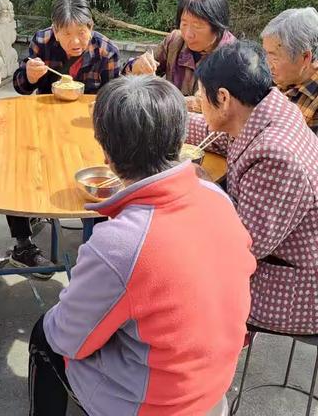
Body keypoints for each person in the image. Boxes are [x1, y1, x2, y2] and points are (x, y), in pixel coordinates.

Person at [28, 75, 256, 416]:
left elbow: (67, 338)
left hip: (156, 404)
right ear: (179, 140)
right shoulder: (216, 197)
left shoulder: (119, 244)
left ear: (106, 152)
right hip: (214, 381)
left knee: (44, 334)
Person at [187, 40, 318, 335]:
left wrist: (203, 185)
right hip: (279, 255)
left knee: (177, 271)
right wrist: (166, 122)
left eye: (201, 98)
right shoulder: (266, 110)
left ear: (223, 98)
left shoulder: (277, 158)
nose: (199, 104)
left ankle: (202, 365)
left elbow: (243, 244)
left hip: (294, 289)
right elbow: (221, 135)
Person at [9, 0, 121, 274]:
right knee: (17, 165)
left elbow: (117, 101)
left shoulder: (106, 51)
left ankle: (100, 240)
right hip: (45, 125)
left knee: (104, 175)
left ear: (91, 27)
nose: (75, 41)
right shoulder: (42, 43)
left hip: (90, 130)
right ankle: (23, 243)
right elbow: (20, 87)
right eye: (66, 33)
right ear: (55, 30)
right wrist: (30, 76)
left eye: (81, 32)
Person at [124, 0, 235, 110]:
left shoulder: (233, 56)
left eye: (197, 26)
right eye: (184, 23)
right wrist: (137, 66)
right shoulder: (175, 42)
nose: (188, 34)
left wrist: (165, 99)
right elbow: (129, 77)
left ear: (218, 25)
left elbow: (212, 106)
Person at [261, 7, 318, 135]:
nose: (267, 64)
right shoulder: (279, 78)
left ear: (305, 58)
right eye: (265, 53)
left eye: (274, 57)